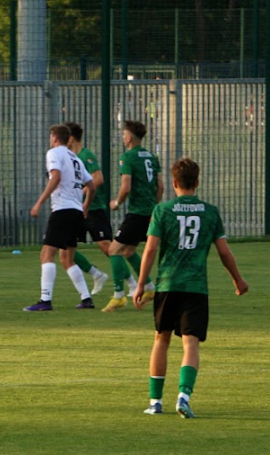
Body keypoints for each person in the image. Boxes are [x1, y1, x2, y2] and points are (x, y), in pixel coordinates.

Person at [133, 158, 248, 418]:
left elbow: (150, 249)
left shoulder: (162, 211)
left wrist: (141, 283)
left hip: (167, 284)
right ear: (197, 182)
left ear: (174, 183)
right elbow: (224, 252)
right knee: (191, 344)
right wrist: (237, 280)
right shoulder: (210, 212)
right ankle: (183, 396)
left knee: (161, 339)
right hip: (196, 287)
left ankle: (155, 402)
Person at [24, 124, 97, 311]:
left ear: (55, 138)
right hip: (76, 213)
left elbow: (55, 177)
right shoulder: (76, 158)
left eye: (51, 136)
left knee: (46, 254)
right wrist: (85, 207)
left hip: (62, 210)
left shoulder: (54, 153)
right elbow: (92, 186)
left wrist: (39, 202)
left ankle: (45, 300)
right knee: (67, 258)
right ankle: (86, 298)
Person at [66, 121, 142, 296]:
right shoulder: (69, 157)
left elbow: (98, 179)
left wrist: (81, 192)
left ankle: (131, 282)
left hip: (94, 208)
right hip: (75, 209)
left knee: (107, 247)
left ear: (71, 138)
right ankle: (96, 274)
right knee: (65, 246)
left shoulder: (86, 155)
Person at [103, 120, 162, 312]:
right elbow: (160, 186)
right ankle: (150, 288)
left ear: (129, 137)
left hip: (136, 213)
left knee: (114, 250)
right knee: (128, 251)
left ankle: (119, 295)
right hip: (150, 213)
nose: (122, 137)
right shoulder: (152, 157)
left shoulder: (127, 157)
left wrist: (116, 203)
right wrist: (155, 208)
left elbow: (125, 187)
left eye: (123, 134)